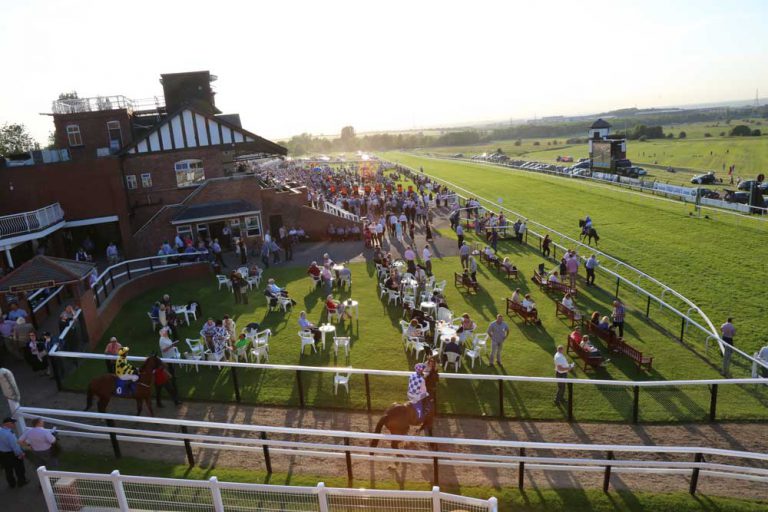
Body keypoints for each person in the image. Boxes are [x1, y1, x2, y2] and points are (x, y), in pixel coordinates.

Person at [0, 417, 27, 488]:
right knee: (19, 469)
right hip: (11, 454)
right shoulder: (9, 434)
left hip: (2, 454)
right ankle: (21, 482)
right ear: (7, 424)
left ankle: (11, 484)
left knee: (8, 470)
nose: (14, 424)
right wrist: (21, 454)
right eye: (12, 423)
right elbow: (15, 446)